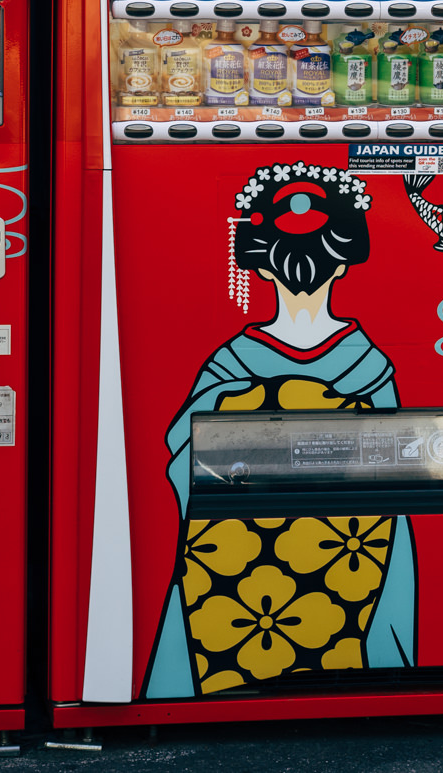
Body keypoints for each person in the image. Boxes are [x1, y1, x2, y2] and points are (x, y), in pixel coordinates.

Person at [142, 161, 416, 698]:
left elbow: (181, 453)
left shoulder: (229, 364)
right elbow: (402, 484)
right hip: (348, 574)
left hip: (229, 587)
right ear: (346, 263)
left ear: (259, 266)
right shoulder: (369, 365)